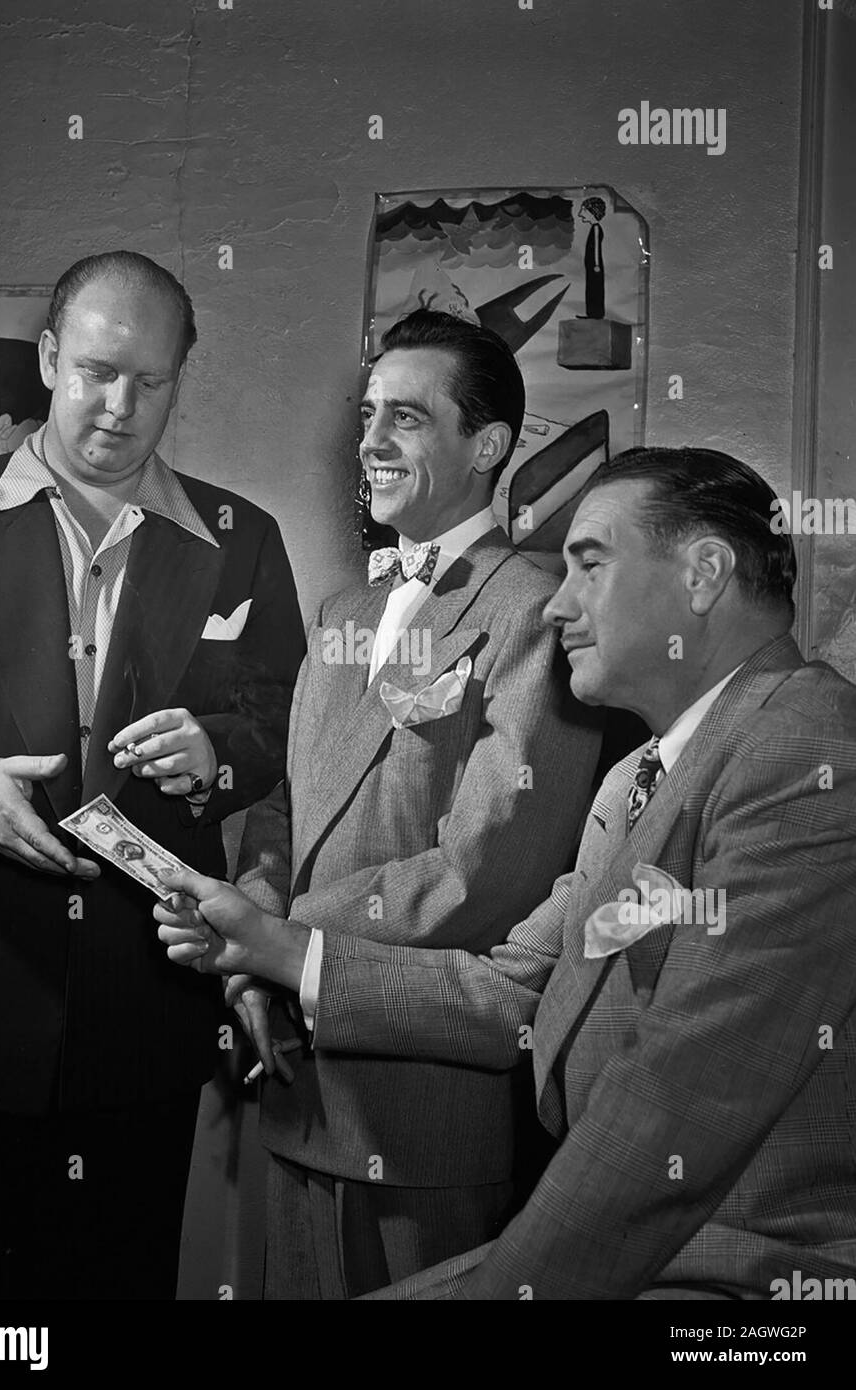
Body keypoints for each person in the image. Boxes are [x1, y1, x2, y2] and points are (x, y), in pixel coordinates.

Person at [157, 446, 856, 1301]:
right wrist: (278, 949)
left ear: (703, 574)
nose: (556, 606)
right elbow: (512, 992)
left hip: (751, 1276)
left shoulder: (800, 748)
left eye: (588, 566)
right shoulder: (640, 775)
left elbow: (679, 1099)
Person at [0, 250, 305, 1299]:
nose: (119, 407)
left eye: (150, 381)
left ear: (179, 379)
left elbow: (281, 713)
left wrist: (221, 748)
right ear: (46, 360)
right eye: (93, 371)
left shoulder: (240, 537)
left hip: (144, 1003)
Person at [188, 308, 603, 1299]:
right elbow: (288, 806)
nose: (368, 441)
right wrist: (254, 941)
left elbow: (484, 871)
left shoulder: (534, 611)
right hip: (289, 1083)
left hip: (420, 1121)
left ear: (487, 445)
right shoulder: (341, 614)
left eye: (405, 419)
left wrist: (272, 935)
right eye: (367, 412)